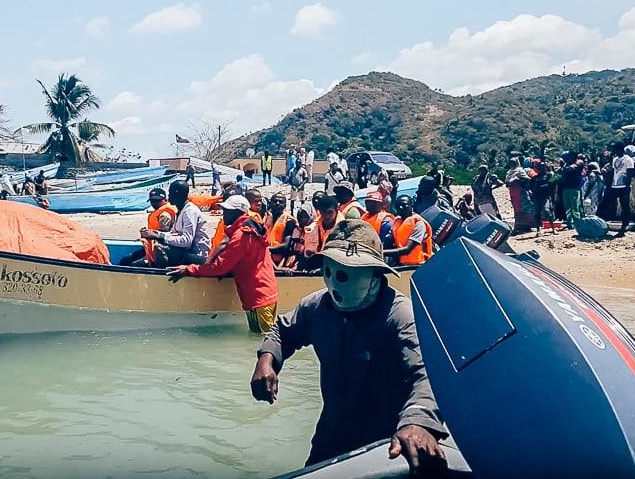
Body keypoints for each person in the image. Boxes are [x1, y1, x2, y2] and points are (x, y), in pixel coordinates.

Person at [250, 220, 447, 471]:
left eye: (346, 273)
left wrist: (418, 421)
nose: (334, 282)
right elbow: (283, 329)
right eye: (330, 270)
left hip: (387, 442)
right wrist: (267, 360)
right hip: (333, 433)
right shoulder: (317, 307)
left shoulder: (399, 316)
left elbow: (427, 374)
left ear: (375, 274)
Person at [168, 195, 279, 334]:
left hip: (258, 297)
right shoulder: (254, 229)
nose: (223, 213)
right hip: (267, 292)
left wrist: (189, 269)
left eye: (227, 210)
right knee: (263, 340)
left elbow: (220, 268)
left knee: (263, 343)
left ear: (237, 212)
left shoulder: (241, 236)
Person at [140, 181, 210, 266]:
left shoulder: (190, 211)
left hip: (196, 255)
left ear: (178, 194)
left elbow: (187, 241)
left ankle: (161, 275)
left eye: (170, 193)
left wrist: (160, 237)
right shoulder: (181, 211)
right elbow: (172, 233)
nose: (168, 197)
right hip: (186, 251)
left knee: (159, 248)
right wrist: (154, 233)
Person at [121, 188, 178, 267]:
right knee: (126, 259)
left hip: (160, 251)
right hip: (151, 248)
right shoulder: (157, 213)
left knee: (134, 265)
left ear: (165, 200)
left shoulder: (165, 215)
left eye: (157, 201)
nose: (154, 203)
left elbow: (164, 236)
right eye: (152, 201)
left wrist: (149, 235)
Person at [384, 195, 433, 266]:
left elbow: (407, 250)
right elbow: (388, 242)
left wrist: (382, 252)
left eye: (404, 205)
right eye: (398, 206)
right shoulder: (397, 222)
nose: (401, 208)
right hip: (402, 264)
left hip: (418, 265)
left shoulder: (419, 223)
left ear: (411, 205)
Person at [607, 143, 635, 237]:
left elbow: (630, 174)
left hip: (624, 186)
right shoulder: (615, 159)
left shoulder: (628, 160)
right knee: (609, 203)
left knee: (624, 207)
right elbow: (614, 172)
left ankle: (624, 227)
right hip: (614, 186)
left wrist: (627, 187)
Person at [505, 157, 533, 234]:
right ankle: (520, 226)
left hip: (521, 192)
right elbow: (507, 182)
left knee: (524, 209)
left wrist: (518, 179)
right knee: (517, 210)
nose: (512, 164)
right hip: (513, 193)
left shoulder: (520, 171)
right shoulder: (510, 172)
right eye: (510, 163)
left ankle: (525, 226)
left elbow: (527, 179)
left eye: (513, 163)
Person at [531, 162, 556, 235]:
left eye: (542, 167)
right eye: (540, 167)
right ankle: (538, 230)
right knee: (537, 213)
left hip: (546, 197)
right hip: (537, 196)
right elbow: (530, 186)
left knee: (547, 211)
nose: (541, 169)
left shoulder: (549, 175)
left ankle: (553, 228)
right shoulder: (536, 177)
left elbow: (555, 182)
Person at [559, 157, 584, 230]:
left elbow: (570, 168)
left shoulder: (578, 163)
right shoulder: (566, 166)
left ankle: (577, 223)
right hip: (566, 189)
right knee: (567, 208)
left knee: (575, 207)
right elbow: (558, 176)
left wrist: (563, 168)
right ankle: (569, 223)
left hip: (574, 189)